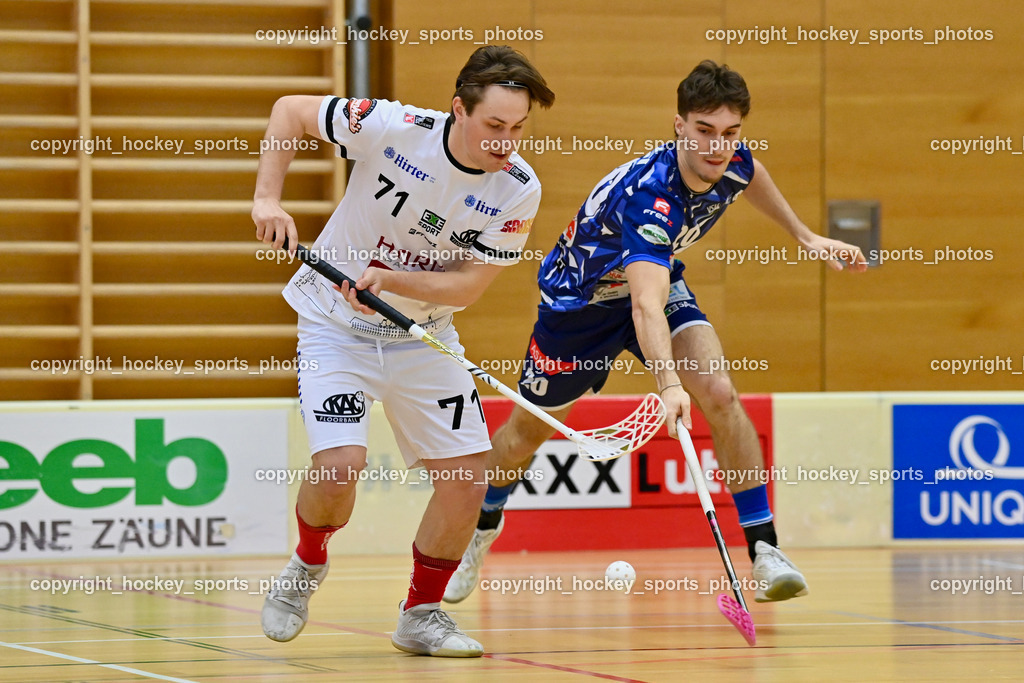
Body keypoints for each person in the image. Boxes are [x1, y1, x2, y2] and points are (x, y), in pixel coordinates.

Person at [444, 59, 867, 605]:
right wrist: (668, 385)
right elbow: (644, 305)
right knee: (527, 434)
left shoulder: (730, 158)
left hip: (657, 283)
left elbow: (751, 175)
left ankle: (765, 550)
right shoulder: (651, 197)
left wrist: (805, 236)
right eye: (704, 132)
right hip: (581, 306)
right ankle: (481, 530)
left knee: (718, 391)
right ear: (679, 126)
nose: (718, 148)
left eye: (730, 133)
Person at [251, 45, 554, 657]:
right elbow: (289, 111)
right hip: (334, 323)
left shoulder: (518, 188)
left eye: (518, 128)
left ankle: (421, 614)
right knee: (339, 466)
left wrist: (393, 280)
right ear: (458, 110)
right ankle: (306, 566)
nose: (506, 141)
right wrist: (267, 199)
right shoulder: (393, 126)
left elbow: (468, 287)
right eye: (494, 125)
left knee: (468, 481)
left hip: (425, 336)